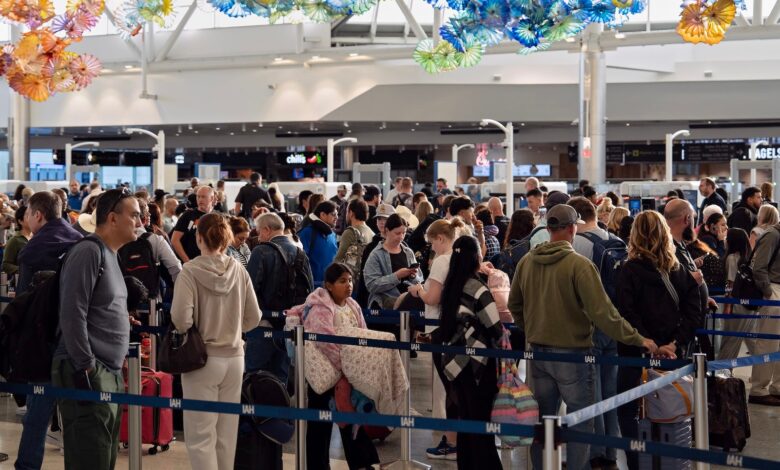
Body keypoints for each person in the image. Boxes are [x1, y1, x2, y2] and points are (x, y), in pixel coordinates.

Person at [508, 204, 657, 470]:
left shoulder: (527, 262)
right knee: (581, 424)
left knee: (543, 423)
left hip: (537, 355)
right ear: (571, 229)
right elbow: (604, 314)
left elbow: (514, 305)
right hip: (574, 356)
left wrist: (531, 329)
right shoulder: (580, 265)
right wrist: (638, 339)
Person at [51, 188, 142, 470]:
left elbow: (94, 306)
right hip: (89, 369)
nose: (140, 221)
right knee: (90, 456)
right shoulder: (88, 251)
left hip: (108, 370)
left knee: (104, 455)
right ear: (113, 218)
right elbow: (71, 311)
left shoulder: (110, 255)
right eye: (134, 215)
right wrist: (86, 365)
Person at [170, 213, 261, 470]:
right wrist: (232, 328)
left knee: (200, 436)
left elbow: (181, 319)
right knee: (226, 434)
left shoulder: (190, 271)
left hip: (201, 359)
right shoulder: (239, 269)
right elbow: (254, 317)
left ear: (199, 238)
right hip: (234, 358)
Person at [615, 210, 701, 470]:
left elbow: (625, 312)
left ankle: (636, 464)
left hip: (634, 354)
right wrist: (675, 343)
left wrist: (647, 341)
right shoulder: (679, 270)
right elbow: (694, 311)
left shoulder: (627, 271)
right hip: (674, 357)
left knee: (628, 412)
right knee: (671, 412)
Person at [292, 263, 380, 470]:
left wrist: (357, 364)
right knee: (319, 426)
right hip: (324, 375)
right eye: (342, 281)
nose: (348, 285)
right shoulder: (319, 308)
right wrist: (347, 364)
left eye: (350, 280)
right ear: (329, 285)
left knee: (350, 420)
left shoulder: (352, 305)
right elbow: (325, 342)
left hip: (348, 374)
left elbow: (362, 333)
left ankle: (362, 464)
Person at [435, 236, 503, 469]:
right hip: (478, 364)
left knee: (466, 421)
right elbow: (494, 326)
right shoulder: (477, 287)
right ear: (476, 257)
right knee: (482, 422)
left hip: (455, 363)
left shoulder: (451, 285)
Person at [406, 218, 467, 461]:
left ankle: (452, 442)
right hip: (456, 327)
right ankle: (457, 439)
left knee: (449, 386)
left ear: (440, 239)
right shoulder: (461, 258)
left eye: (432, 243)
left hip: (439, 327)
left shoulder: (443, 260)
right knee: (456, 386)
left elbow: (432, 298)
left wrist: (417, 290)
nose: (431, 248)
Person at [246, 212, 313, 383]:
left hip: (262, 323)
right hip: (290, 325)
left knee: (254, 376)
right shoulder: (300, 253)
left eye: (259, 232)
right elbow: (310, 289)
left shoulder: (260, 251)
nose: (259, 237)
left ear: (267, 230)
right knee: (280, 378)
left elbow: (249, 289)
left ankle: (255, 410)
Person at [748, 219, 780, 406]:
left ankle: (776, 387)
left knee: (776, 344)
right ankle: (759, 389)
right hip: (774, 290)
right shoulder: (772, 234)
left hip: (775, 289)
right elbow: (759, 267)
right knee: (768, 343)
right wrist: (769, 292)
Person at [363, 213, 423, 309]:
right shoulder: (376, 255)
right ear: (387, 231)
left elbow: (420, 279)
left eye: (403, 233)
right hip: (385, 301)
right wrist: (397, 276)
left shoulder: (408, 252)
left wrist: (413, 276)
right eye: (397, 233)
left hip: (409, 297)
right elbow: (371, 285)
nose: (401, 237)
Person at [719, 228, 756, 360]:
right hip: (749, 304)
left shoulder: (732, 258)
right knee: (750, 339)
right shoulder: (748, 258)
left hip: (736, 304)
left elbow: (730, 285)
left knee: (730, 339)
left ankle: (722, 371)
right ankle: (765, 366)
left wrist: (728, 307)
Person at [172, 186, 216, 263]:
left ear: (212, 198)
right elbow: (175, 240)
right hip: (191, 261)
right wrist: (186, 261)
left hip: (212, 262)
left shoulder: (217, 217)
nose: (200, 199)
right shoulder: (188, 215)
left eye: (203, 197)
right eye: (198, 196)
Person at [298, 200, 339, 284]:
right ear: (323, 215)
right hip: (312, 287)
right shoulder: (307, 233)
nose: (337, 217)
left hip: (330, 285)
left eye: (337, 214)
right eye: (333, 214)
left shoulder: (332, 235)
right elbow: (300, 263)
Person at [334, 199, 374, 278]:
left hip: (352, 278)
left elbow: (338, 259)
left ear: (351, 213)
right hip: (366, 277)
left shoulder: (350, 232)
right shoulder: (371, 233)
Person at [2, 206, 30, 278]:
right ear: (20, 221)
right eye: (28, 215)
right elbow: (6, 265)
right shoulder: (15, 240)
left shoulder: (37, 237)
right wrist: (23, 270)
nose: (31, 218)